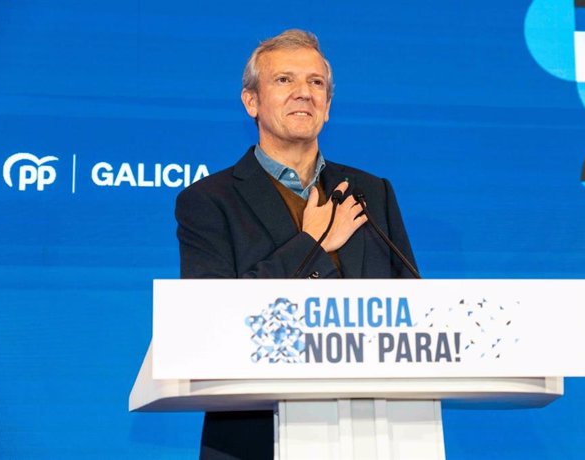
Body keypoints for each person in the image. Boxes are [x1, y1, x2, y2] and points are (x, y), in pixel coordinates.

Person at [176, 29, 417, 460]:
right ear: (251, 101)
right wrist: (313, 244)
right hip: (256, 436)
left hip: (378, 431)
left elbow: (412, 307)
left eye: (316, 82)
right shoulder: (208, 201)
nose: (303, 93)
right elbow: (210, 322)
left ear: (328, 106)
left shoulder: (371, 191)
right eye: (284, 80)